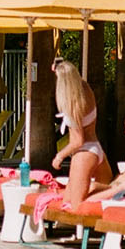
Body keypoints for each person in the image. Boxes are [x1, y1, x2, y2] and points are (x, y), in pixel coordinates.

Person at [50, 59, 112, 206]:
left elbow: (77, 141)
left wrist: (60, 156)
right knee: (70, 201)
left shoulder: (73, 105)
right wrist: (59, 64)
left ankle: (118, 188)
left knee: (74, 205)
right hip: (95, 146)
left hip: (84, 152)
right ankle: (113, 188)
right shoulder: (85, 89)